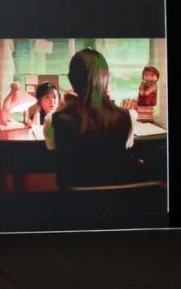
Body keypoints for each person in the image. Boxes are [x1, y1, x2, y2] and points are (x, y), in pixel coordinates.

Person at [44, 48, 138, 189]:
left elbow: (51, 146)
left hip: (73, 200)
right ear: (105, 79)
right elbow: (127, 145)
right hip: (114, 200)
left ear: (71, 79)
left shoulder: (54, 119)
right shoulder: (128, 117)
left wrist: (62, 107)